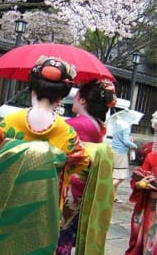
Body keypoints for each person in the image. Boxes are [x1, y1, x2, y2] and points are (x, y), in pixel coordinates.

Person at [0, 56, 95, 254]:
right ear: (61, 97)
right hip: (41, 209)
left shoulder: (8, 123)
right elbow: (81, 163)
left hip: (2, 200)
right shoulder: (67, 134)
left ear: (32, 89)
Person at [57, 79, 117, 254]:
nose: (73, 98)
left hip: (71, 187)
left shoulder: (77, 125)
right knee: (66, 237)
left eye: (76, 95)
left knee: (60, 237)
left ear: (82, 100)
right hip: (83, 187)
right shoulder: (97, 124)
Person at [125, 112, 157, 254]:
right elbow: (138, 179)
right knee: (146, 243)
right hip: (150, 207)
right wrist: (141, 184)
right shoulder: (151, 155)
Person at [112, 121, 138, 202]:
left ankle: (113, 197)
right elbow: (126, 141)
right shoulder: (126, 127)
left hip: (114, 151)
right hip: (121, 153)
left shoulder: (116, 125)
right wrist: (134, 145)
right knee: (122, 176)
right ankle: (105, 189)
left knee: (115, 175)